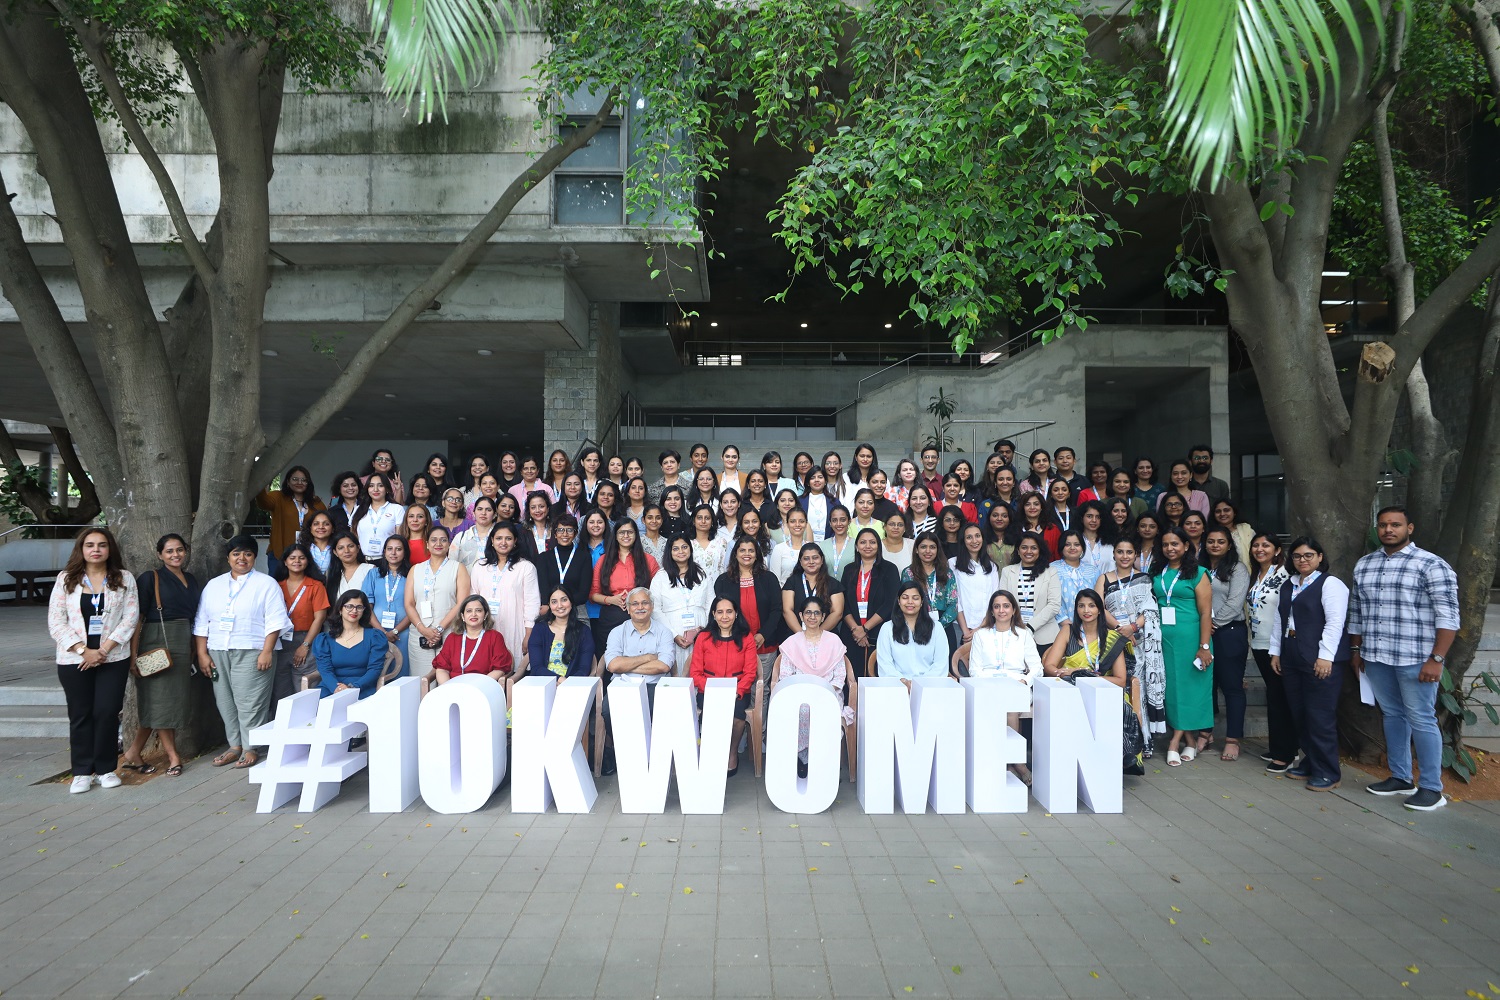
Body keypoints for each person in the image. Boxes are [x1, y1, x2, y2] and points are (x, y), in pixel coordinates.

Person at [1348, 507, 1459, 811]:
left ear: (1409, 528)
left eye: (1395, 525)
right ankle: (1400, 776)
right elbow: (1356, 613)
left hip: (1417, 658)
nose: (1388, 530)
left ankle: (1432, 788)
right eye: (1383, 525)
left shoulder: (1432, 565)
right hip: (1377, 656)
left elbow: (1448, 617)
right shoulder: (1365, 565)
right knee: (1392, 715)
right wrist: (1356, 651)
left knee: (1422, 718)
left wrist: (1436, 659)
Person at [50, 527, 140, 793]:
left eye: (102, 545)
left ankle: (105, 769)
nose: (96, 549)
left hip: (113, 658)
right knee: (80, 714)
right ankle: (81, 772)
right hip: (73, 659)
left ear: (110, 548)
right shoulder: (66, 579)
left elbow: (130, 618)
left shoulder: (124, 578)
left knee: (106, 712)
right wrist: (83, 650)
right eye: (90, 545)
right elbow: (56, 621)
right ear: (81, 549)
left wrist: (102, 650)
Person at [193, 535, 291, 771]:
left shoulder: (266, 584)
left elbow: (276, 620)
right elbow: (201, 621)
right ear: (228, 558)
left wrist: (268, 650)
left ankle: (251, 747)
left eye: (247, 554)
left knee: (251, 702)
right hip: (218, 650)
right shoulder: (213, 585)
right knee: (225, 699)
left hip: (253, 649)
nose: (242, 558)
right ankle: (234, 745)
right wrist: (202, 654)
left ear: (254, 558)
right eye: (236, 553)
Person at [1269, 537, 1352, 792]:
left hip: (1319, 657)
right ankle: (1311, 761)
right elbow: (1279, 620)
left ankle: (1328, 771)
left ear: (1319, 557)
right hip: (1292, 653)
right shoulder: (1289, 584)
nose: (1302, 560)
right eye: (1297, 556)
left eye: (1308, 555)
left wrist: (1326, 656)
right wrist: (1276, 652)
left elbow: (1335, 622)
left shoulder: (1331, 584)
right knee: (1300, 712)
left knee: (1320, 715)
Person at [1042, 589, 1146, 774]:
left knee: (1114, 702)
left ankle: (1125, 753)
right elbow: (1049, 665)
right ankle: (1123, 752)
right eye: (1081, 606)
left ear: (1100, 610)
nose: (1086, 610)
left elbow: (1121, 680)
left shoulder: (1112, 637)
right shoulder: (1068, 631)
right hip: (1072, 687)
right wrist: (1068, 673)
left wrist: (1087, 675)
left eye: (1091, 605)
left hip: (1102, 689)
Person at [123, 533, 200, 777]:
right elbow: (137, 618)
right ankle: (173, 756)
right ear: (159, 554)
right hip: (156, 642)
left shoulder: (191, 579)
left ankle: (133, 753)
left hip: (182, 640)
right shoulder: (149, 578)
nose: (175, 555)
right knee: (161, 700)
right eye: (169, 551)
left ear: (185, 551)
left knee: (164, 702)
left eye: (179, 550)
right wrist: (133, 654)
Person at [1153, 527, 1214, 767]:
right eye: (1166, 544)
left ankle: (1173, 742)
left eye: (1175, 544)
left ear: (1186, 546)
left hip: (1191, 639)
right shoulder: (1157, 571)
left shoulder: (1198, 573)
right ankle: (1190, 740)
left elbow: (1205, 612)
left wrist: (1205, 645)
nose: (1170, 548)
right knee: (1170, 689)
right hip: (1162, 640)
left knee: (1189, 690)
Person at [773, 594, 854, 776]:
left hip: (828, 695)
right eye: (808, 613)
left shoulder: (834, 641)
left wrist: (823, 693)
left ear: (823, 617)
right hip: (798, 697)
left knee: (825, 710)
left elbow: (840, 676)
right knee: (803, 711)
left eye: (817, 613)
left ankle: (826, 760)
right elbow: (785, 677)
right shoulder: (792, 643)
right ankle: (803, 758)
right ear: (801, 615)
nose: (812, 617)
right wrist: (804, 694)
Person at [1097, 537, 1165, 745]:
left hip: (1140, 641)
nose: (1124, 556)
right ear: (1114, 554)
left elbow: (1151, 609)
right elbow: (1099, 608)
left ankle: (1142, 740)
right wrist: (1120, 629)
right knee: (1118, 686)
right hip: (1115, 640)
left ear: (1135, 555)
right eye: (1120, 552)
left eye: (1129, 552)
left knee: (1139, 687)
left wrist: (1133, 628)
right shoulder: (1104, 579)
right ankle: (1117, 739)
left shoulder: (1144, 578)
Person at [690, 597, 759, 775]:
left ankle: (731, 751)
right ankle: (711, 753)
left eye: (729, 611)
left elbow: (750, 672)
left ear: (736, 614)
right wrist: (711, 691)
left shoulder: (746, 638)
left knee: (737, 718)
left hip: (737, 691)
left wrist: (737, 691)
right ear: (713, 614)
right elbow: (695, 672)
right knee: (711, 714)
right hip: (708, 690)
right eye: (720, 612)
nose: (725, 616)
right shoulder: (703, 638)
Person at [1244, 533, 1295, 772]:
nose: (1259, 549)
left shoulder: (1286, 573)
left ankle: (1286, 754)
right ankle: (1279, 747)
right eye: (1255, 545)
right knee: (1275, 696)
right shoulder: (1256, 574)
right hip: (1259, 643)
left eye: (1265, 545)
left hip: (1279, 645)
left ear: (1277, 550)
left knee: (1280, 698)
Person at [1202, 526, 1251, 761]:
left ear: (1229, 545)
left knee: (1231, 687)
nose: (1215, 545)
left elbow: (1234, 603)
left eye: (1220, 541)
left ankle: (1232, 739)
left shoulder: (1237, 568)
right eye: (1210, 541)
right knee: (1205, 683)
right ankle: (1206, 732)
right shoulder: (1198, 568)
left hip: (1229, 632)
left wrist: (1212, 625)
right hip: (1202, 634)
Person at [715, 537, 790, 683]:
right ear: (735, 554)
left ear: (757, 554)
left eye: (751, 550)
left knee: (762, 688)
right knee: (737, 686)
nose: (746, 554)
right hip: (734, 643)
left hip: (764, 643)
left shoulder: (769, 578)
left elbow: (777, 610)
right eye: (742, 550)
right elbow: (722, 613)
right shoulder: (723, 581)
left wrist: (763, 634)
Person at [405, 525, 471, 683]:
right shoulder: (416, 569)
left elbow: (462, 603)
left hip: (449, 632)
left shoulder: (458, 568)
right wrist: (422, 629)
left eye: (443, 540)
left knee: (447, 681)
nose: (438, 543)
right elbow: (408, 603)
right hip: (420, 634)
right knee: (421, 682)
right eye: (433, 540)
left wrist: (440, 629)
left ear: (449, 544)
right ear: (427, 544)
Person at [469, 523, 539, 671]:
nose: (503, 542)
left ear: (515, 542)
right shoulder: (479, 567)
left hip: (515, 628)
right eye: (499, 538)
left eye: (508, 538)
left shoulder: (526, 567)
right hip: (486, 627)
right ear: (492, 541)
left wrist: (528, 634)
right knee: (486, 668)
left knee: (514, 672)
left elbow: (531, 603)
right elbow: (473, 598)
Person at [271, 543, 330, 701]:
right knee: (280, 693)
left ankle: (309, 724)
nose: (297, 561)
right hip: (279, 640)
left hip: (306, 640)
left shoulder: (316, 586)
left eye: (301, 558)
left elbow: (320, 618)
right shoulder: (275, 586)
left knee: (304, 690)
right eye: (292, 558)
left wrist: (305, 646)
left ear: (308, 561)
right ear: (285, 561)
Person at [591, 520, 660, 652]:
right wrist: (610, 600)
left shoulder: (649, 560)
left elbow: (657, 593)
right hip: (611, 615)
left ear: (636, 535)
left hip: (641, 616)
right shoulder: (603, 560)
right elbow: (593, 594)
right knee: (610, 658)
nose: (626, 535)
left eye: (630, 532)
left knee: (640, 658)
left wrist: (636, 598)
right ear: (615, 536)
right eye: (622, 532)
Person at [839, 528, 901, 671]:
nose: (868, 546)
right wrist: (856, 630)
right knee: (852, 678)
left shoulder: (889, 569)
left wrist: (865, 629)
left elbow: (890, 602)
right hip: (851, 634)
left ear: (878, 545)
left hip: (879, 632)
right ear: (856, 546)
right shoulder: (849, 569)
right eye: (863, 542)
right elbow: (843, 603)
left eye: (872, 542)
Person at [651, 536, 714, 675]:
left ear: (690, 550)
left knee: (699, 673)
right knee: (676, 675)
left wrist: (702, 631)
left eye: (684, 547)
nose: (681, 551)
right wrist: (673, 635)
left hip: (700, 631)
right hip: (671, 632)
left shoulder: (702, 574)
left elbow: (711, 604)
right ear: (670, 552)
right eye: (676, 548)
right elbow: (655, 609)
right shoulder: (660, 576)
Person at [311, 590, 389, 699]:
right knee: (313, 707)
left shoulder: (374, 637)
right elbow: (325, 670)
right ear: (340, 609)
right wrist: (336, 689)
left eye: (359, 607)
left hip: (362, 687)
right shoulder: (325, 639)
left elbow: (375, 669)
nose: (354, 610)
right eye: (349, 606)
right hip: (331, 687)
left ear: (364, 611)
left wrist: (352, 687)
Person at [998, 532, 1062, 653]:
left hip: (1045, 636)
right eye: (1024, 547)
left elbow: (1054, 605)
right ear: (1018, 550)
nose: (1029, 551)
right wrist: (1019, 628)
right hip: (1014, 634)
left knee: (1045, 671)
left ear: (1040, 550)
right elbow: (1003, 603)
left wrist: (1030, 627)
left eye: (1034, 548)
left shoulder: (1051, 572)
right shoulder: (1007, 572)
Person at [256, 466, 325, 576]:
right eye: (295, 479)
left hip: (308, 555)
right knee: (278, 588)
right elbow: (263, 503)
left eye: (304, 480)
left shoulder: (316, 502)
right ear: (288, 482)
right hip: (280, 554)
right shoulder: (278, 497)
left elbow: (326, 523)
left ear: (308, 483)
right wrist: (260, 481)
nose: (299, 482)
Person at [875, 583, 950, 683]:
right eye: (905, 598)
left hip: (929, 686)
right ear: (898, 601)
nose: (910, 602)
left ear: (922, 601)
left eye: (915, 598)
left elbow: (941, 664)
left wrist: (919, 684)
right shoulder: (887, 628)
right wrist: (904, 682)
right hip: (897, 686)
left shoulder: (937, 628)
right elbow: (885, 665)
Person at [965, 589, 1042, 685]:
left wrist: (1025, 681)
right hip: (987, 686)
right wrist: (988, 685)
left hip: (1017, 685)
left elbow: (1037, 668)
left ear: (1013, 610)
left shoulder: (1025, 634)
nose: (1001, 610)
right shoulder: (980, 635)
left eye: (1006, 606)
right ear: (992, 611)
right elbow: (975, 670)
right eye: (997, 607)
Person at [432, 595, 513, 685]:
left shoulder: (495, 637)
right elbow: (442, 668)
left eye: (478, 610)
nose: (473, 614)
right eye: (469, 611)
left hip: (483, 687)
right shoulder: (452, 638)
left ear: (485, 615)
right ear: (463, 616)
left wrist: (477, 687)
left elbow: (499, 670)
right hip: (455, 688)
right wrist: (448, 688)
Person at [903, 531, 959, 649]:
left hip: (944, 625)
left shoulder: (947, 573)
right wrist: (921, 626)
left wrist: (938, 626)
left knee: (947, 665)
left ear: (938, 550)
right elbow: (905, 602)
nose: (928, 551)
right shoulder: (908, 573)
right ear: (917, 550)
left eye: (932, 547)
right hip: (916, 626)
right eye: (923, 547)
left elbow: (953, 605)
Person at [364, 535, 411, 673]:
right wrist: (383, 632)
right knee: (378, 671)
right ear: (384, 552)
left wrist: (395, 631)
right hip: (376, 631)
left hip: (403, 633)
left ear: (405, 552)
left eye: (398, 549)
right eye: (389, 549)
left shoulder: (412, 575)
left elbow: (414, 608)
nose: (393, 553)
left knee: (402, 670)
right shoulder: (373, 574)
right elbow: (367, 607)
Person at [527, 588, 597, 679]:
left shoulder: (584, 631)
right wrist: (559, 679)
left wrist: (567, 684)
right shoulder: (539, 629)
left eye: (564, 600)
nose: (559, 606)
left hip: (572, 687)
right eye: (554, 602)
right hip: (542, 685)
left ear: (571, 602)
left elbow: (583, 669)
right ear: (549, 606)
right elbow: (537, 668)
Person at [951, 524, 1001, 645]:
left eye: (977, 536)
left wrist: (980, 628)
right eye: (969, 537)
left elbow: (995, 599)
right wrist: (966, 631)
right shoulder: (953, 564)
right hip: (960, 627)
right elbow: (955, 599)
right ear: (963, 541)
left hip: (987, 626)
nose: (974, 541)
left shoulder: (991, 566)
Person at [535, 515, 592, 618]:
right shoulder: (543, 558)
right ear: (555, 534)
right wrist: (555, 605)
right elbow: (544, 589)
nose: (565, 534)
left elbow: (583, 593)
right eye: (560, 530)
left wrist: (563, 604)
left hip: (577, 610)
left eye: (569, 530)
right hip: (551, 610)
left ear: (575, 533)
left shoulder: (584, 557)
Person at [352, 472, 402, 560]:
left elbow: (400, 538)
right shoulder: (358, 509)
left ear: (387, 488)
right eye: (371, 486)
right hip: (362, 561)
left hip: (387, 560)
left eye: (380, 485)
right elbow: (353, 537)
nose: (375, 489)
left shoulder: (397, 509)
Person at [1051, 530, 1097, 626]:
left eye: (1077, 544)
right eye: (1067, 544)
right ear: (1061, 547)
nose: (1072, 548)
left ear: (1082, 547)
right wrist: (1063, 620)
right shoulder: (1052, 569)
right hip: (1061, 625)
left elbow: (1099, 598)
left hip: (1090, 624)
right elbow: (1049, 598)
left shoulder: (1093, 570)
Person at [327, 530, 373, 603]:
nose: (346, 551)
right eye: (341, 548)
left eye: (351, 546)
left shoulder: (370, 569)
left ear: (358, 548)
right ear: (335, 552)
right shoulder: (333, 573)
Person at [451, 496, 498, 567]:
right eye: (479, 509)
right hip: (465, 577)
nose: (483, 513)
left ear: (495, 514)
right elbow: (452, 563)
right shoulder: (461, 537)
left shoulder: (500, 537)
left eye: (488, 510)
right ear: (473, 513)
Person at [769, 508, 812, 583]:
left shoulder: (811, 548)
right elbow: (774, 581)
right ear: (787, 524)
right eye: (793, 521)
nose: (797, 525)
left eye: (801, 521)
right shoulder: (779, 549)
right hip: (784, 592)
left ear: (806, 524)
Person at [1211, 499, 1255, 570]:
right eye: (1218, 511)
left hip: (1246, 573)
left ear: (1234, 512)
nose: (1222, 514)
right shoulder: (1210, 533)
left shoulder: (1246, 530)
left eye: (1226, 510)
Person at [1015, 492, 1061, 559]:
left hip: (1048, 568)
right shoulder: (1015, 529)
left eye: (1036, 504)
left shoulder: (1053, 529)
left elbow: (1057, 556)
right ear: (1023, 508)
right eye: (1027, 504)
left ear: (1041, 507)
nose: (1032, 507)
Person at [688, 504, 726, 580]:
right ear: (693, 521)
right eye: (699, 518)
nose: (703, 521)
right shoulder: (687, 543)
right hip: (693, 587)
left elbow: (723, 567)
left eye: (707, 518)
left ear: (712, 521)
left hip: (716, 586)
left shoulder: (721, 542)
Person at [799, 467, 835, 540]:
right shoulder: (799, 501)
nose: (816, 480)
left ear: (825, 481)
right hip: (804, 543)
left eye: (820, 477)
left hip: (828, 543)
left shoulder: (834, 502)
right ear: (808, 482)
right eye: (812, 478)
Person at [819, 506, 856, 576]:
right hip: (827, 586)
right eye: (834, 520)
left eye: (843, 520)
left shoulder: (857, 545)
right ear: (830, 523)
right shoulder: (822, 546)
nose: (839, 524)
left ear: (849, 521)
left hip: (849, 586)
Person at [299, 509, 338, 577]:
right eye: (316, 524)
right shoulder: (302, 549)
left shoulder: (338, 549)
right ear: (310, 528)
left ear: (333, 529)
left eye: (326, 524)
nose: (321, 527)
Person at [518, 491, 555, 560]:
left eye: (541, 506)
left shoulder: (556, 529)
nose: (537, 510)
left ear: (548, 508)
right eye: (533, 507)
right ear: (529, 510)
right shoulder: (522, 531)